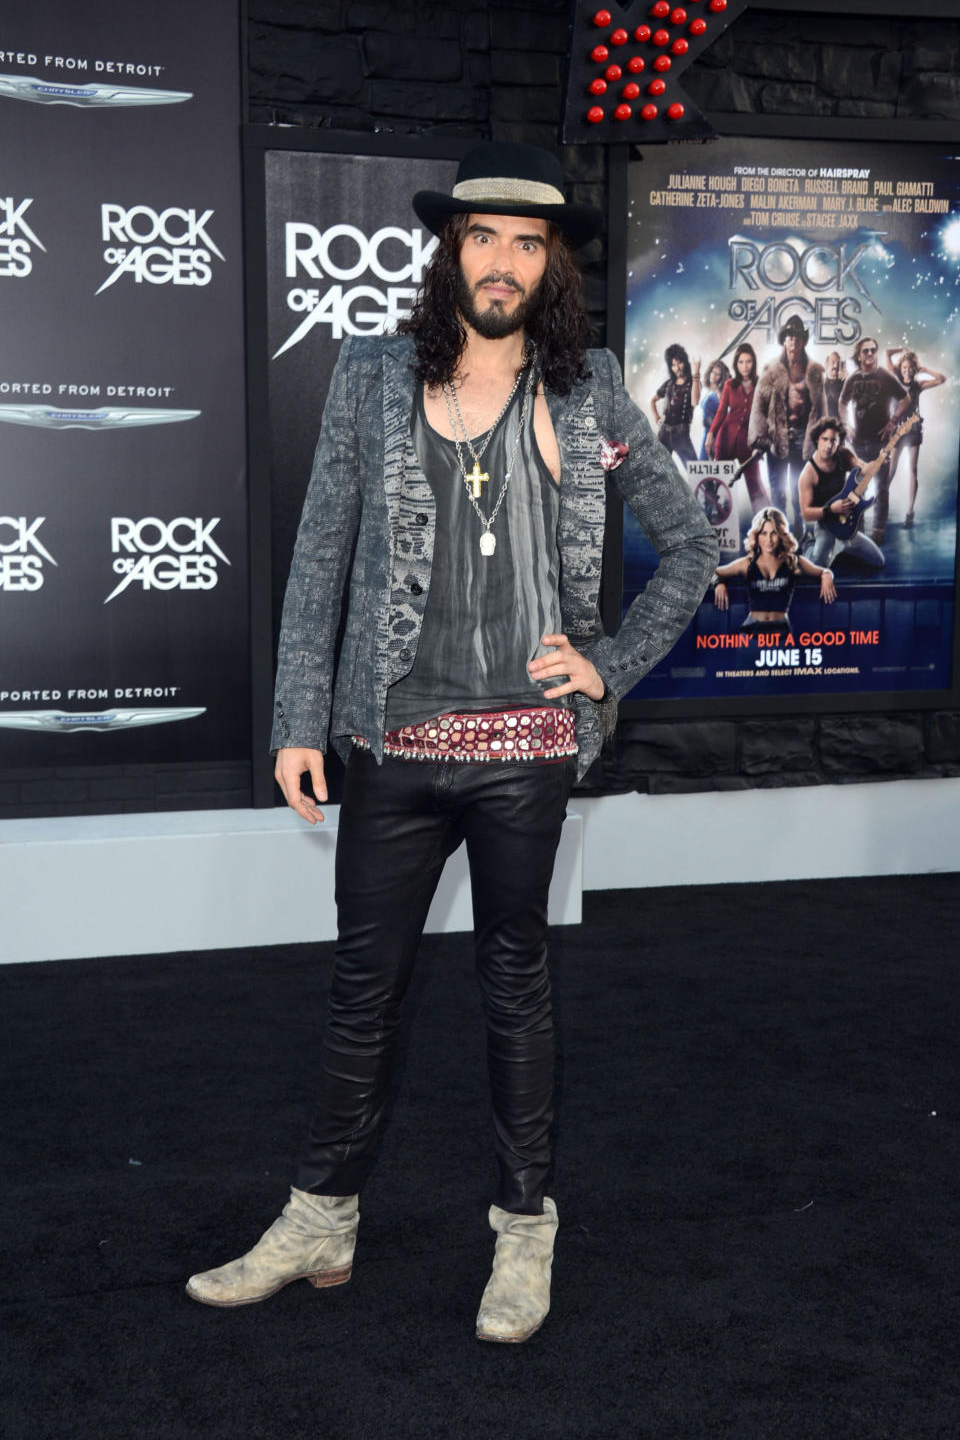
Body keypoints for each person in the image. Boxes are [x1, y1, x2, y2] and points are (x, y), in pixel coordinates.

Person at [185, 141, 718, 1343]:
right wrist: (294, 725)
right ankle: (321, 1222)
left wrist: (608, 666)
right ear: (451, 249)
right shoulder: (373, 375)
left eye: (528, 243)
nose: (503, 262)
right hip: (393, 742)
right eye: (483, 237)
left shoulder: (590, 391)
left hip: (529, 751)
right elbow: (319, 552)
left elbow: (692, 547)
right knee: (361, 994)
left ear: (553, 266)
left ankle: (524, 1234)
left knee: (516, 985)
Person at [711, 505, 836, 637]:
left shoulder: (792, 561)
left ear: (781, 534)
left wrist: (827, 575)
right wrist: (718, 583)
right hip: (751, 630)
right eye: (763, 533)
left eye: (774, 533)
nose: (768, 540)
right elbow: (711, 572)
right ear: (757, 536)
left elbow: (823, 571)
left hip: (781, 631)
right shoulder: (747, 563)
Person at [748, 314, 824, 524]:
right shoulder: (770, 370)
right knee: (777, 487)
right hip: (776, 437)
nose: (794, 341)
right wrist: (758, 441)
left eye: (798, 337)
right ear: (784, 340)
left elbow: (820, 409)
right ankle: (780, 528)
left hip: (804, 437)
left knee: (800, 486)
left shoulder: (814, 371)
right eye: (790, 337)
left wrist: (821, 440)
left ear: (803, 341)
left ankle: (800, 526)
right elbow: (758, 407)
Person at [838, 335, 909, 545]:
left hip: (881, 443)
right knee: (856, 488)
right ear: (859, 355)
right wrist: (845, 424)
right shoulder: (853, 378)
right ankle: (857, 530)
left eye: (872, 350)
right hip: (858, 442)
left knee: (881, 487)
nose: (870, 354)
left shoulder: (885, 376)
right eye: (865, 350)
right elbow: (842, 403)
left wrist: (893, 421)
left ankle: (878, 531)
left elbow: (905, 399)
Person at [797, 417, 885, 571]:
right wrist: (831, 509)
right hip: (824, 524)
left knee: (878, 561)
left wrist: (879, 461)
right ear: (817, 439)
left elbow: (863, 468)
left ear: (839, 442)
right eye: (825, 439)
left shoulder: (842, 454)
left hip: (845, 522)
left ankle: (841, 548)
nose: (829, 445)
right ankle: (809, 545)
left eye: (834, 440)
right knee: (817, 567)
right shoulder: (808, 474)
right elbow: (806, 513)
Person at [885, 346, 945, 528]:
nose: (907, 370)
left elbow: (941, 379)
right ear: (900, 368)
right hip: (896, 430)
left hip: (913, 428)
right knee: (890, 471)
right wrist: (901, 349)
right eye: (904, 367)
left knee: (912, 470)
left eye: (911, 368)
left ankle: (910, 512)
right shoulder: (894, 378)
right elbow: (887, 353)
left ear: (914, 368)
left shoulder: (917, 385)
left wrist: (924, 370)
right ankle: (881, 507)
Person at [707, 342, 767, 509]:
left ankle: (765, 519)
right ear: (736, 364)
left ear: (754, 362)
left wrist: (762, 443)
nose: (745, 366)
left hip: (749, 442)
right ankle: (718, 520)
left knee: (755, 485)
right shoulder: (729, 384)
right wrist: (711, 434)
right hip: (725, 438)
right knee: (720, 484)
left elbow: (765, 415)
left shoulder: (761, 383)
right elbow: (721, 411)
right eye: (741, 362)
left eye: (748, 361)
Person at [650, 342, 701, 466]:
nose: (677, 368)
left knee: (695, 471)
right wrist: (657, 418)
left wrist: (696, 374)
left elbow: (695, 401)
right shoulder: (669, 384)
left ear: (685, 362)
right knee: (656, 469)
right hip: (664, 433)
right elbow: (652, 400)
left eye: (679, 363)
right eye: (673, 365)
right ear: (670, 367)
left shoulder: (693, 383)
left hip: (681, 434)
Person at [698, 358, 729, 460]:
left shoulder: (720, 392)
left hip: (715, 433)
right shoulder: (706, 389)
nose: (714, 375)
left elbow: (723, 413)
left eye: (718, 374)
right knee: (703, 468)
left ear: (722, 377)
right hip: (707, 432)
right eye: (712, 372)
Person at [822, 350, 846, 419]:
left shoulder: (845, 385)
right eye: (833, 362)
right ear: (827, 364)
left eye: (838, 363)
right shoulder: (820, 386)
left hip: (840, 425)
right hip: (825, 425)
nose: (836, 366)